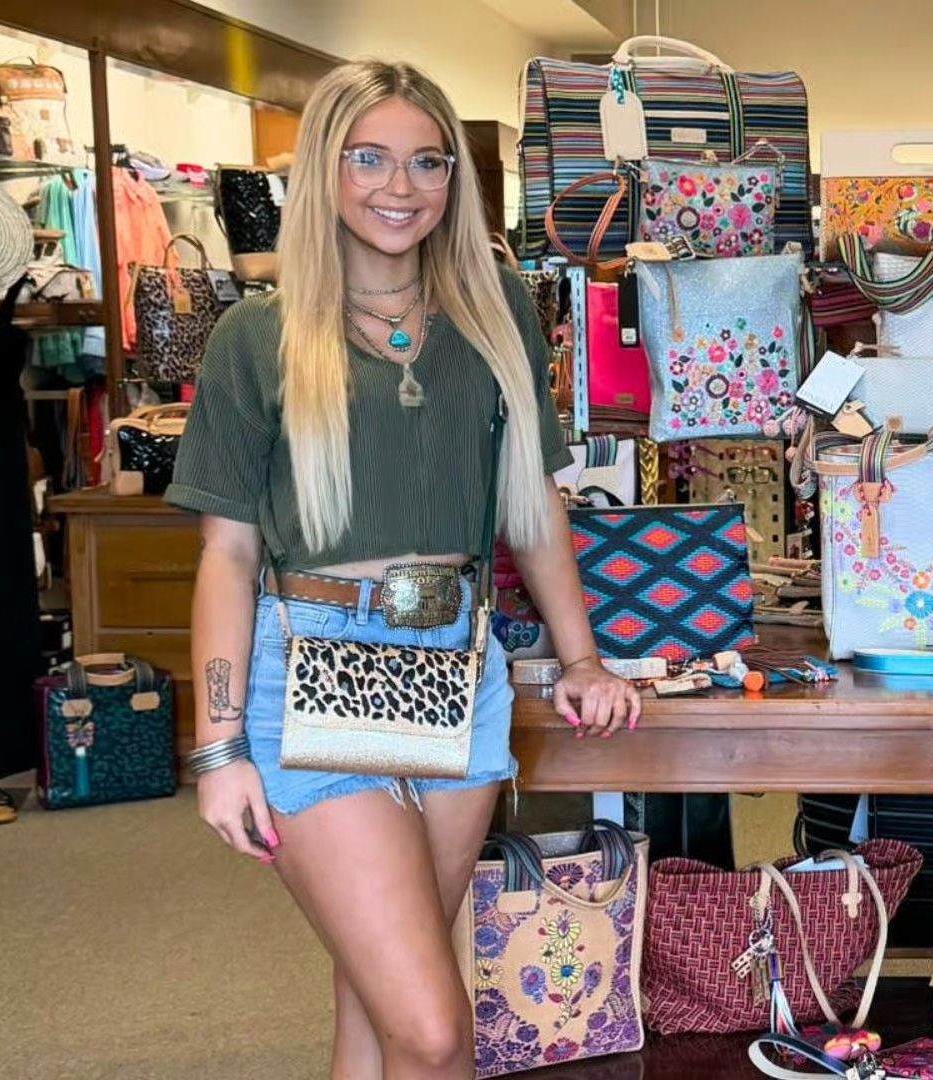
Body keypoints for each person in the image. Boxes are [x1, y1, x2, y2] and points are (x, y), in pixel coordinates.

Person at [166, 60, 640, 1079]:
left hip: (456, 668)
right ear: (324, 171)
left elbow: (531, 504)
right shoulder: (258, 336)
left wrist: (582, 659)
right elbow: (227, 554)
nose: (400, 186)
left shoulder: (494, 308)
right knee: (431, 1029)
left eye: (428, 162)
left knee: (376, 995)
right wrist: (216, 747)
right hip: (311, 669)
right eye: (369, 159)